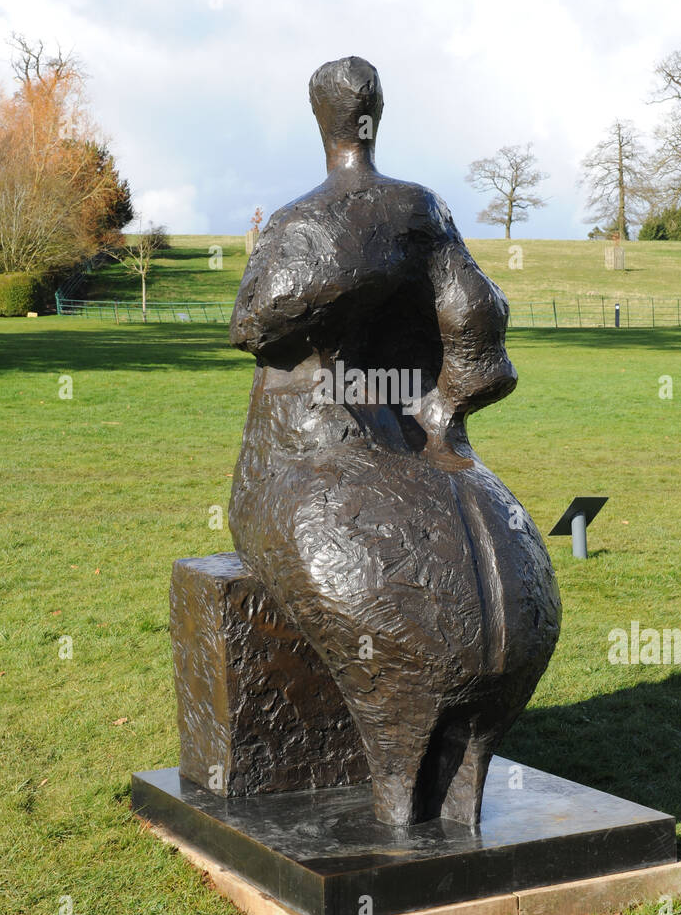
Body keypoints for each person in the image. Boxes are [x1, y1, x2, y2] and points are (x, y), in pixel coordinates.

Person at [229, 56, 560, 827]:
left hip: (310, 442)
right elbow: (479, 334)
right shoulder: (422, 210)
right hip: (406, 436)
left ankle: (396, 797)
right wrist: (442, 413)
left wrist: (347, 277)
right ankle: (447, 788)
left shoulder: (300, 222)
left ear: (322, 121)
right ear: (375, 113)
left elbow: (253, 326)